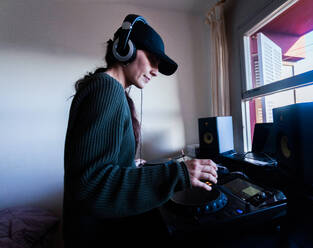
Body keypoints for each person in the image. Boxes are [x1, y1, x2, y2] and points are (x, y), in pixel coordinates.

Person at [63, 14, 218, 247]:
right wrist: (179, 173)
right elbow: (91, 186)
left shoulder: (107, 89)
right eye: (153, 59)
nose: (156, 71)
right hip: (96, 235)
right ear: (125, 49)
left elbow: (95, 166)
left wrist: (128, 166)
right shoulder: (107, 90)